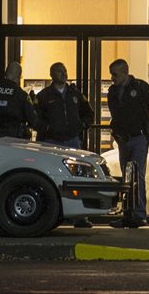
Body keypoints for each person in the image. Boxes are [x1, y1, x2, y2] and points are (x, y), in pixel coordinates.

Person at [35, 61, 96, 229]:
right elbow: (35, 118)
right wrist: (46, 128)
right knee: (51, 177)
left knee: (78, 177)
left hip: (72, 140)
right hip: (50, 142)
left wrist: (83, 125)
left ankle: (80, 217)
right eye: (60, 72)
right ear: (52, 75)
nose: (64, 74)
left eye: (65, 71)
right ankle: (49, 215)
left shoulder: (75, 94)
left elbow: (88, 113)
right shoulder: (44, 96)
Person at [106, 58, 149, 228]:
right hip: (123, 139)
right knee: (126, 177)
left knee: (137, 176)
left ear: (124, 72)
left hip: (138, 138)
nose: (112, 78)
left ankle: (139, 214)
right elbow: (115, 115)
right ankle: (127, 214)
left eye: (115, 74)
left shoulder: (141, 87)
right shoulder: (113, 91)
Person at [0, 61, 40, 139]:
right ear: (18, 76)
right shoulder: (21, 94)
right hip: (14, 140)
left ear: (6, 73)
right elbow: (33, 120)